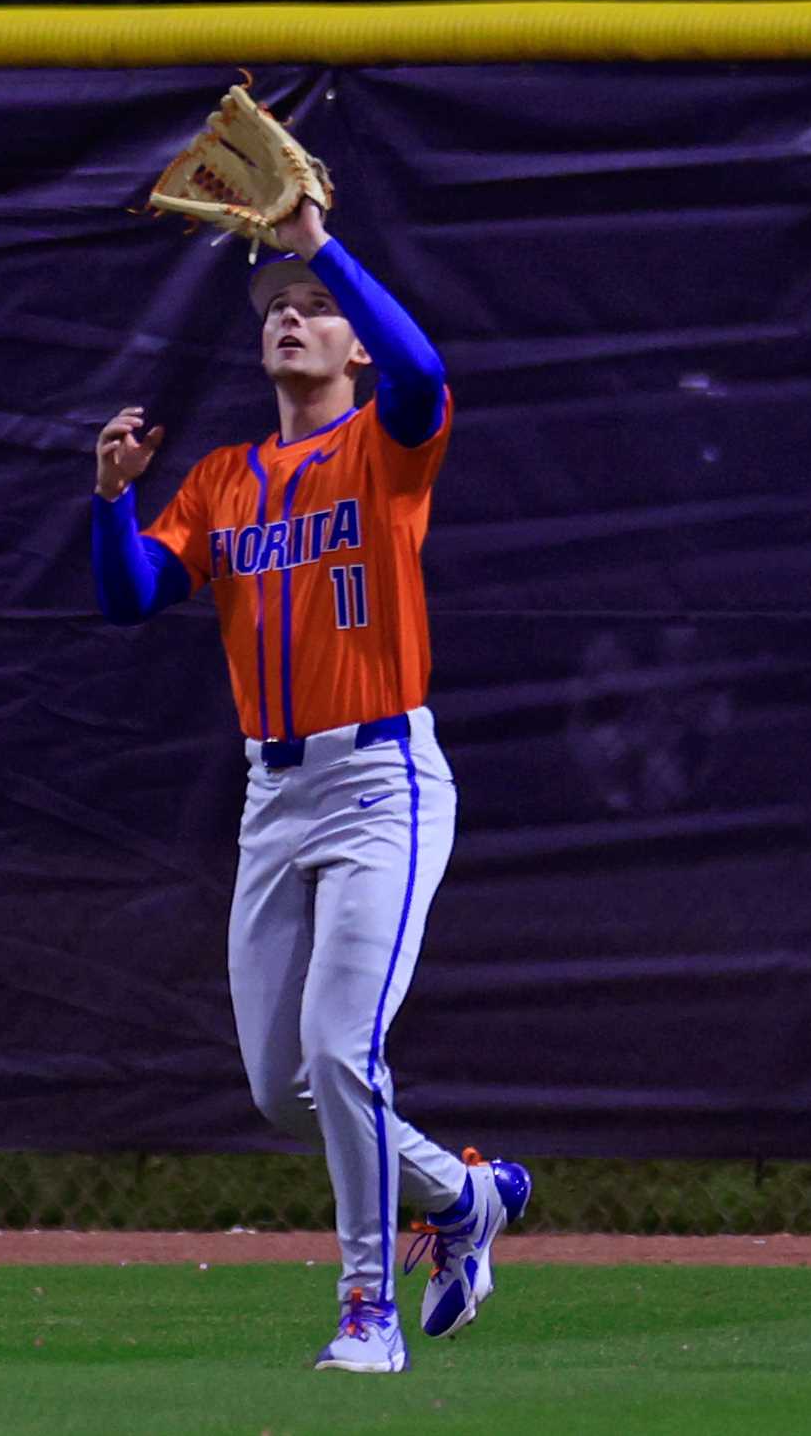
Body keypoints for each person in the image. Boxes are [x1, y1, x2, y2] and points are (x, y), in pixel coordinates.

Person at [91, 194, 530, 1373]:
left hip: (380, 774)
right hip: (272, 796)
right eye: (278, 308)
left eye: (315, 310)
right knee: (285, 1089)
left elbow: (427, 370)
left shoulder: (384, 444)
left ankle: (364, 1307)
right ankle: (465, 1196)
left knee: (342, 1051)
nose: (292, 317)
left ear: (352, 343)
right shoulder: (225, 477)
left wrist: (318, 244)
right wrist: (112, 498)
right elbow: (133, 594)